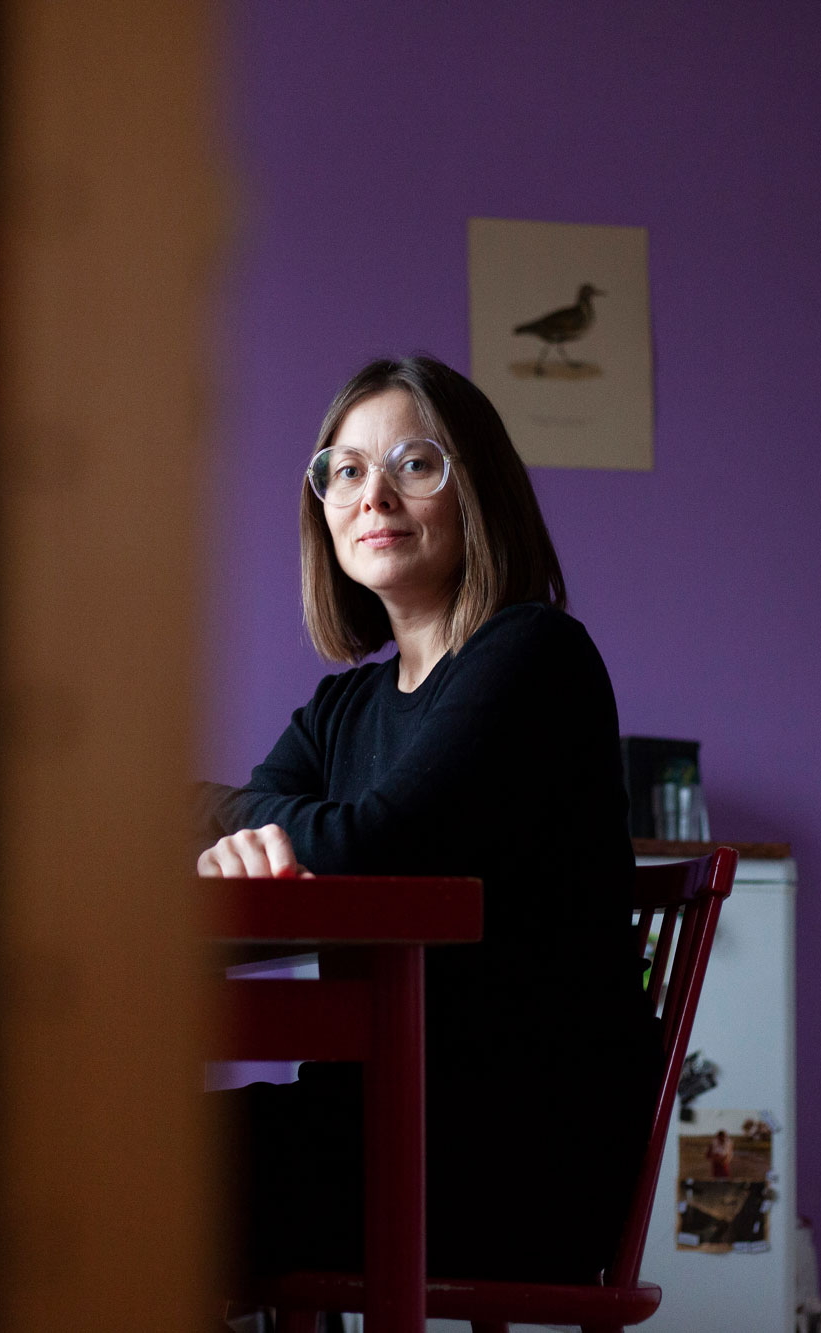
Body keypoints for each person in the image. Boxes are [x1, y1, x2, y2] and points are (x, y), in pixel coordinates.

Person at [199, 354, 659, 1286]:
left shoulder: (535, 656)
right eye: (345, 470)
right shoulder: (342, 710)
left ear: (476, 489)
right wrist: (269, 827)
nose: (373, 493)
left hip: (513, 1153)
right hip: (369, 1119)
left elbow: (374, 848)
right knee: (97, 1143)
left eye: (414, 463)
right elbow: (222, 821)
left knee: (110, 1165)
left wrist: (277, 827)